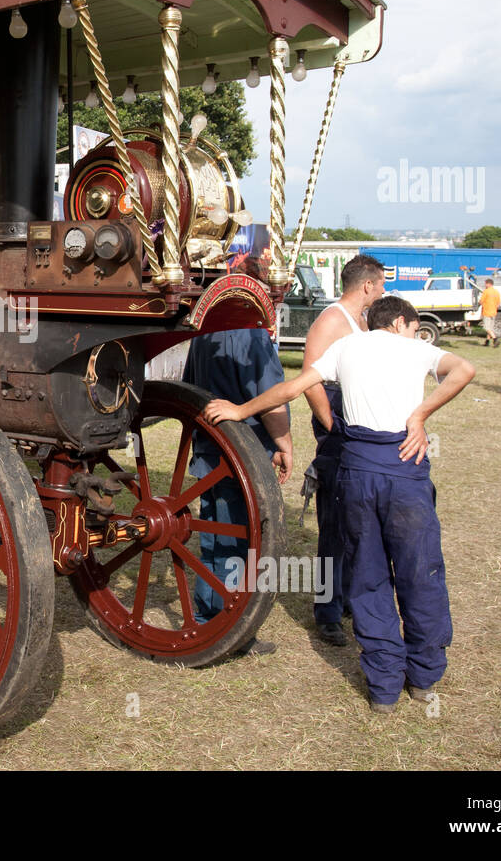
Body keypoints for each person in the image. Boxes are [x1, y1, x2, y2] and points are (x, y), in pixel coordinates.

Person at [203, 297, 476, 712]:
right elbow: (465, 370)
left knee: (367, 576)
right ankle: (423, 677)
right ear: (401, 322)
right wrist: (419, 416)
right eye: (413, 326)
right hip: (405, 467)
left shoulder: (347, 347)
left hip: (357, 467)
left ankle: (383, 688)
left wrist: (240, 409)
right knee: (420, 572)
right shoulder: (416, 348)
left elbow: (291, 389)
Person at [183, 314, 291, 657]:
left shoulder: (204, 331)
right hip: (242, 455)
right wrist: (284, 444)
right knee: (239, 541)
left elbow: (187, 388)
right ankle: (229, 630)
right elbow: (271, 397)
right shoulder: (253, 334)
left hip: (208, 449)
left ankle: (206, 615)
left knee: (214, 538)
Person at [302, 254, 385, 647]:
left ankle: (348, 596)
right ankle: (327, 612)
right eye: (381, 284)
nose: (383, 291)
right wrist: (330, 425)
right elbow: (310, 377)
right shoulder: (332, 320)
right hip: (338, 423)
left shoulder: (363, 321)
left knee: (357, 517)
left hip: (357, 422)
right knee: (333, 524)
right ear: (367, 285)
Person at [480, 277, 501, 347]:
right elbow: (498, 303)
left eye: (485, 284)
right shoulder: (496, 292)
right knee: (490, 328)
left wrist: (480, 303)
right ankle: (487, 342)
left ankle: (495, 339)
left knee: (486, 328)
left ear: (488, 284)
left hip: (487, 311)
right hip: (494, 312)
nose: (485, 285)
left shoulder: (486, 291)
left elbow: (481, 301)